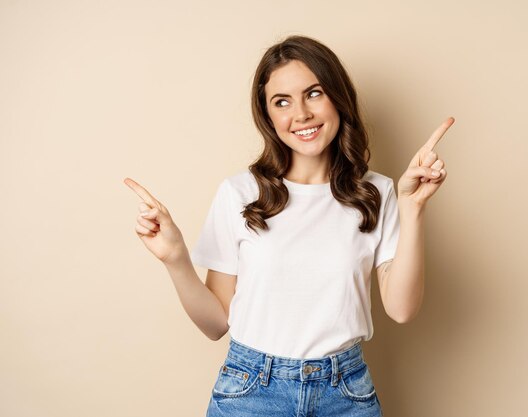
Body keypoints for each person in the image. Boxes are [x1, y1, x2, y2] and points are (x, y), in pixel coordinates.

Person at [124, 34, 453, 417]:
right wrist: (176, 259)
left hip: (345, 393)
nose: (301, 114)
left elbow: (401, 309)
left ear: (337, 97)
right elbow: (216, 324)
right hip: (250, 391)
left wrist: (413, 208)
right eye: (282, 102)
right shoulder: (239, 193)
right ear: (268, 116)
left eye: (313, 94)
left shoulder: (376, 192)